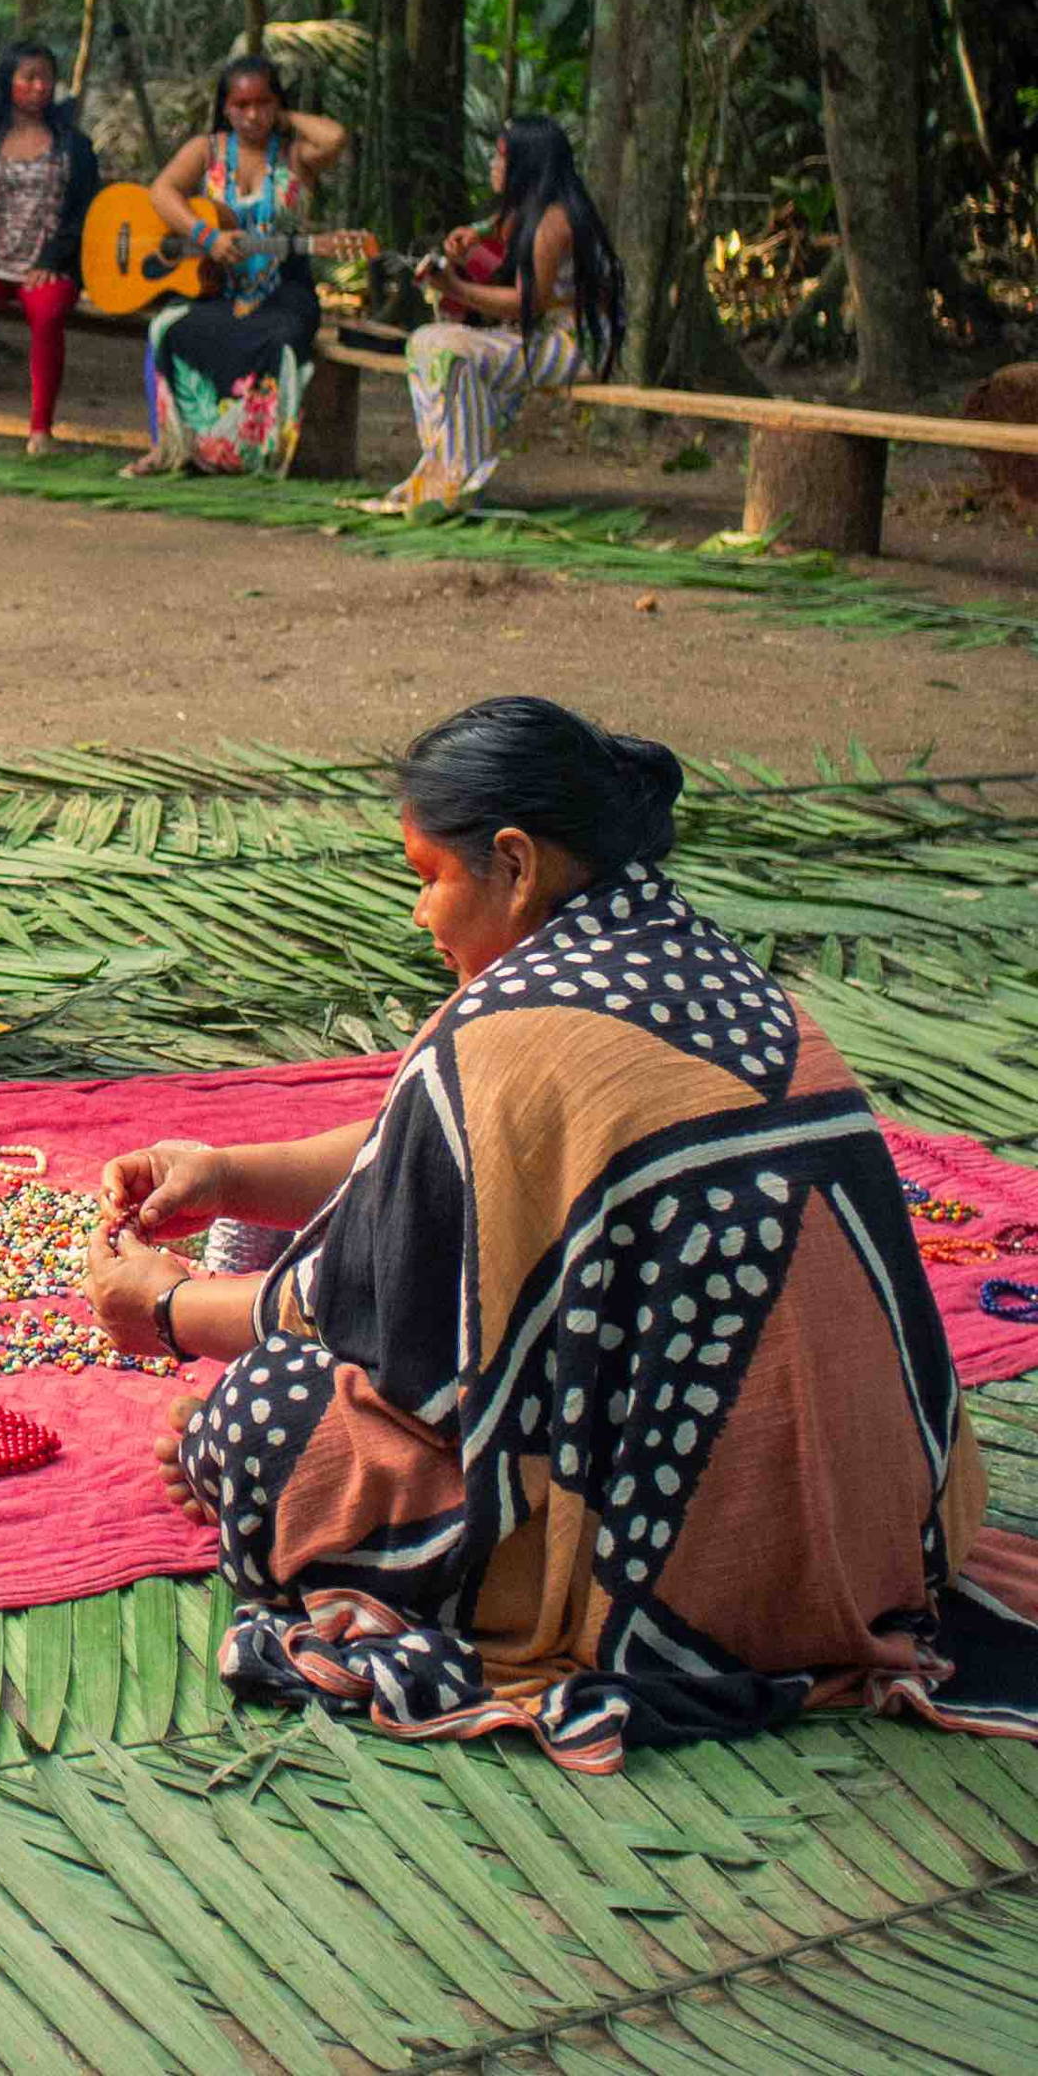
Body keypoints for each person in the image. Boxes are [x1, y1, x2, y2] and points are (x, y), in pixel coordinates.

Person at [83, 696, 1038, 1767]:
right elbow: (449, 1157)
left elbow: (359, 1311)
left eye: (423, 878)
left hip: (689, 1572)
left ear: (511, 863)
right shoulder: (691, 964)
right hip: (885, 1532)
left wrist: (161, 1309)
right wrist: (224, 1177)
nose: (417, 916)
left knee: (263, 1422)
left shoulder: (504, 1029)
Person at [369, 112, 626, 514]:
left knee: (442, 347)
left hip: (577, 347)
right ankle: (457, 476)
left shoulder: (551, 224)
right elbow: (494, 226)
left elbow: (530, 304)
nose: (493, 164)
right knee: (438, 347)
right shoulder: (533, 207)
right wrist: (477, 234)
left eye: (501, 158)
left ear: (526, 165)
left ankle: (455, 478)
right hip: (550, 337)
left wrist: (455, 289)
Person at [126, 55, 350, 477]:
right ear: (225, 108)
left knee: (280, 338)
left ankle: (251, 455)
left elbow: (336, 137)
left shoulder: (295, 155)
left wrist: (285, 116)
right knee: (167, 328)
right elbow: (161, 192)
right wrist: (206, 237)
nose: (252, 115)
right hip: (218, 289)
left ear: (277, 104)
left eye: (262, 103)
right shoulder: (205, 150)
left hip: (284, 292)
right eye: (240, 105)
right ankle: (175, 448)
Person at [0, 41, 100, 455]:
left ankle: (40, 432)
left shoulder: (73, 147)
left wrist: (54, 259)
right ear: (7, 82)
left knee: (47, 314)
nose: (39, 86)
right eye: (28, 77)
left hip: (46, 267)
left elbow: (85, 212)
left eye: (46, 77)